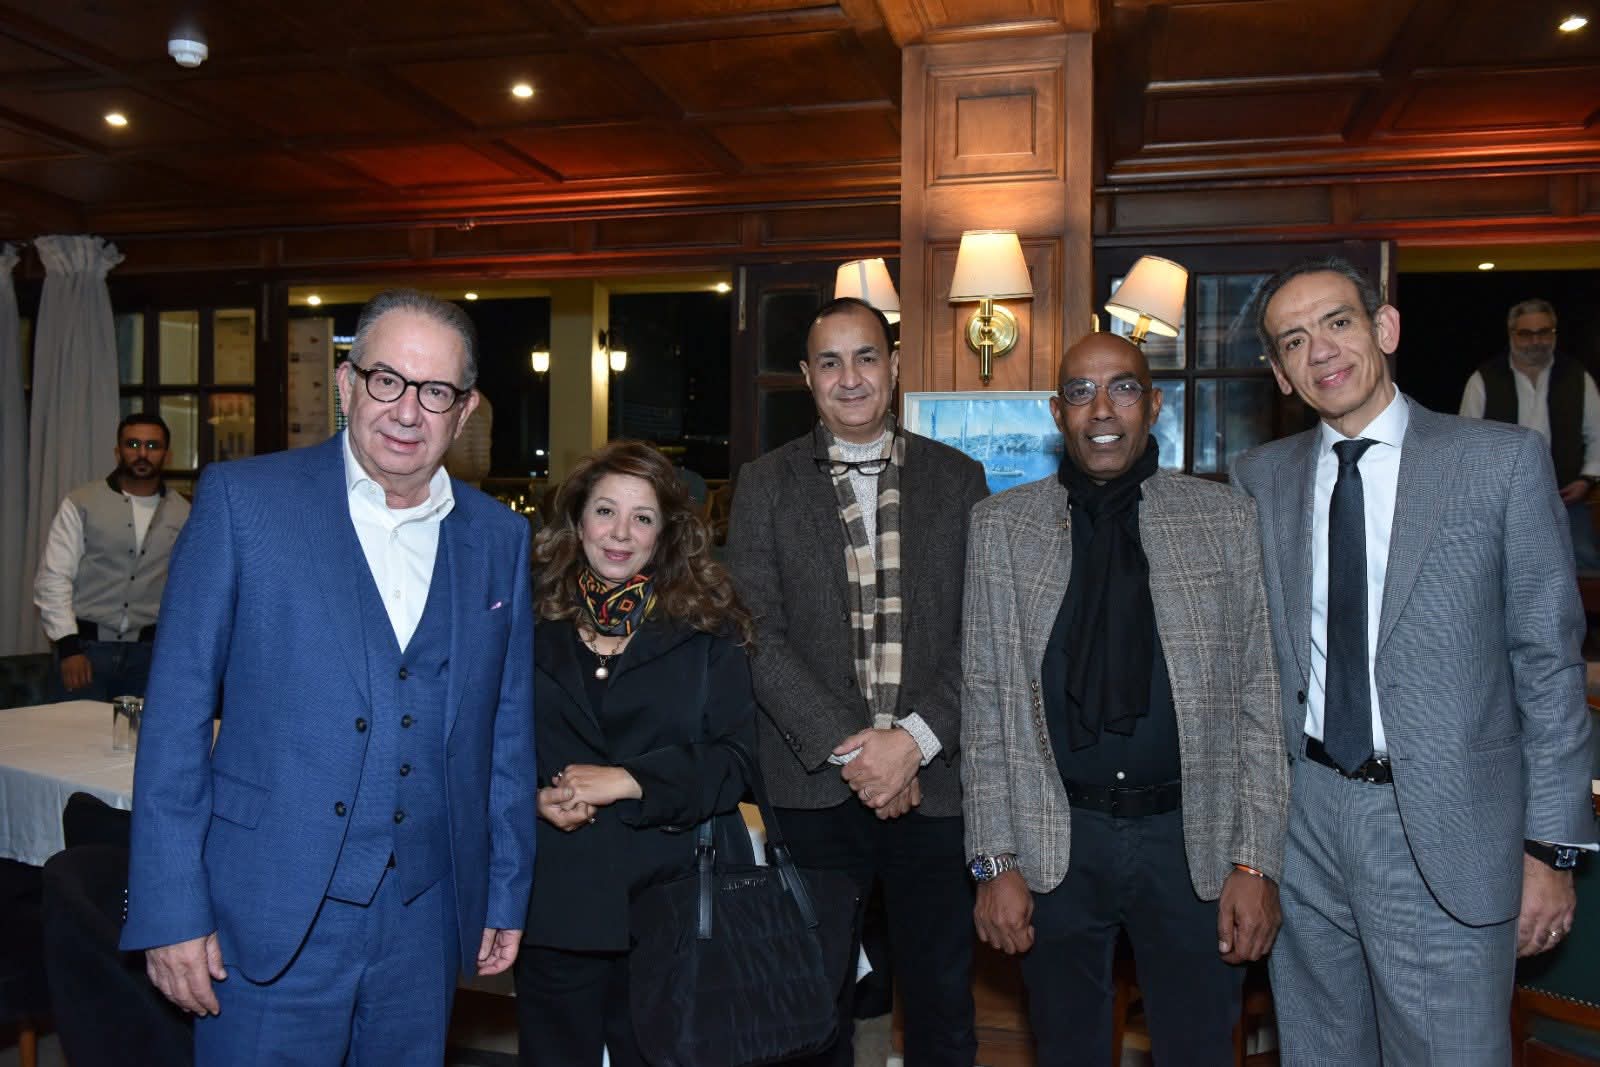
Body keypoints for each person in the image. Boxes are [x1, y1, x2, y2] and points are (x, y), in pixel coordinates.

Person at [121, 289, 537, 1065]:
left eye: (435, 391)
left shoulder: (499, 538)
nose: (407, 410)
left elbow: (505, 734)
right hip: (264, 913)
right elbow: (175, 718)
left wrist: (504, 890)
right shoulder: (244, 503)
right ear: (347, 383)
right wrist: (171, 908)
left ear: (466, 411)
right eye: (387, 379)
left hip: (424, 920)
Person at [1233, 258, 1595, 1064]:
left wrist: (1551, 849)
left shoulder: (1499, 462)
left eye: (1338, 322)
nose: (1321, 350)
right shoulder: (1259, 480)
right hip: (1304, 823)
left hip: (1447, 826)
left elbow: (1548, 666)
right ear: (1281, 374)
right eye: (1294, 340)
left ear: (1384, 328)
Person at [961, 332, 1286, 1066]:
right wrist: (992, 862)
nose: (1102, 408)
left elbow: (1260, 704)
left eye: (1124, 388)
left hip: (1193, 843)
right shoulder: (1001, 528)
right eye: (1080, 392)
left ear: (1154, 405)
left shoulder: (1224, 520)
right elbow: (983, 709)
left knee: (1201, 1052)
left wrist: (1256, 863)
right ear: (1058, 412)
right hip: (1054, 845)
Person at [727, 296, 988, 1066]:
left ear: (894, 366)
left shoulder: (958, 478)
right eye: (830, 362)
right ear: (808, 376)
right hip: (813, 790)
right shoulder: (764, 483)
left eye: (866, 357)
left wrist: (910, 743)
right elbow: (754, 631)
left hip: (936, 787)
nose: (850, 377)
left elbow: (983, 631)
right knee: (812, 1012)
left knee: (943, 1009)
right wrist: (860, 751)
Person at [514, 440, 757, 1066]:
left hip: (673, 905)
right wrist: (531, 798)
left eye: (641, 517)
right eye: (605, 511)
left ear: (666, 533)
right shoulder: (524, 619)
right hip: (556, 900)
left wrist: (628, 779)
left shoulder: (710, 625)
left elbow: (737, 761)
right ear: (577, 520)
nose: (620, 533)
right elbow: (489, 744)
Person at [33, 412, 190, 701]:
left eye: (152, 446)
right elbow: (53, 578)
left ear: (166, 455)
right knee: (73, 730)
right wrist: (68, 647)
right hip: (85, 652)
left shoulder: (184, 513)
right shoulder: (81, 503)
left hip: (150, 656)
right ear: (118, 452)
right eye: (133, 444)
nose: (142, 454)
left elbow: (190, 588)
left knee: (143, 732)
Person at [1459, 298, 1600, 572]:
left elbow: (1597, 435)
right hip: (1502, 505)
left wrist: (1586, 480)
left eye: (1544, 332)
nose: (1536, 341)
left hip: (1566, 501)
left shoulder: (1577, 377)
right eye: (1526, 334)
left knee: (1584, 566)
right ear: (1511, 334)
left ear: (1554, 333)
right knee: (1499, 571)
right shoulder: (1483, 380)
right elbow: (1468, 443)